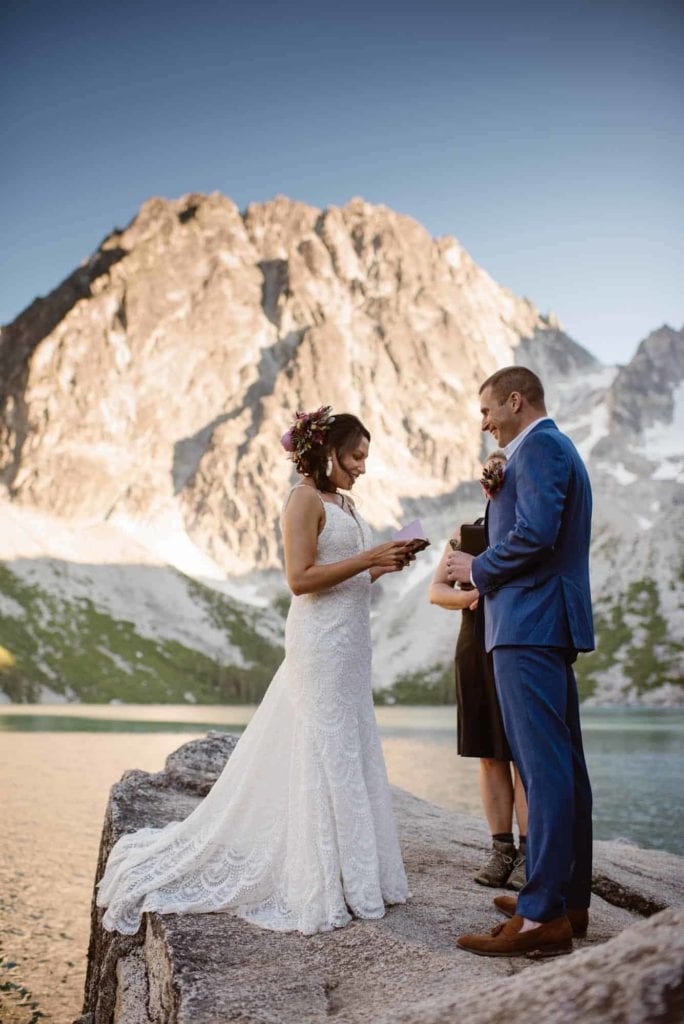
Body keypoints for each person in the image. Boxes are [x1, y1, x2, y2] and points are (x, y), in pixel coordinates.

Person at [97, 406, 412, 936]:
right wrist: (366, 559)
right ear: (328, 452)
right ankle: (320, 876)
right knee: (324, 743)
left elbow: (345, 579)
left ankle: (354, 872)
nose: (362, 466)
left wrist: (382, 565)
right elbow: (300, 578)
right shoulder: (303, 499)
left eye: (364, 458)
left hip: (350, 643)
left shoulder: (346, 503)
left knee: (349, 741)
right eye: (356, 456)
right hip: (318, 640)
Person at [447, 367, 594, 958]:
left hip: (528, 624)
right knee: (563, 765)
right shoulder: (544, 450)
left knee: (543, 768)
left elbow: (536, 534)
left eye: (487, 411)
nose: (483, 423)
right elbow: (532, 525)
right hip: (542, 622)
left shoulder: (541, 448)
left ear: (515, 401)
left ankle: (540, 919)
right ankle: (564, 898)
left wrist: (475, 570)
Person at [428, 452, 528, 891]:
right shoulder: (464, 534)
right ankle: (500, 850)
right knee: (489, 752)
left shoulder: (529, 531)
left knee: (524, 755)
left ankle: (531, 854)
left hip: (518, 642)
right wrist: (471, 597)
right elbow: (436, 591)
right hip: (474, 643)